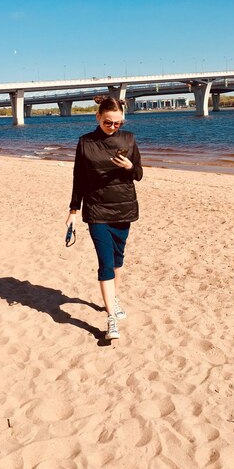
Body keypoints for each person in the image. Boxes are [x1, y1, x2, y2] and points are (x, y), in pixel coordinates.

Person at [66, 95, 143, 341]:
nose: (113, 127)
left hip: (123, 208)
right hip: (97, 210)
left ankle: (114, 298)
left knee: (118, 259)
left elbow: (139, 174)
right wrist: (73, 211)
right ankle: (111, 317)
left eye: (117, 123)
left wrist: (129, 166)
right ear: (98, 117)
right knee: (105, 262)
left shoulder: (128, 139)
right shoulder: (85, 143)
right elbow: (79, 178)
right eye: (108, 122)